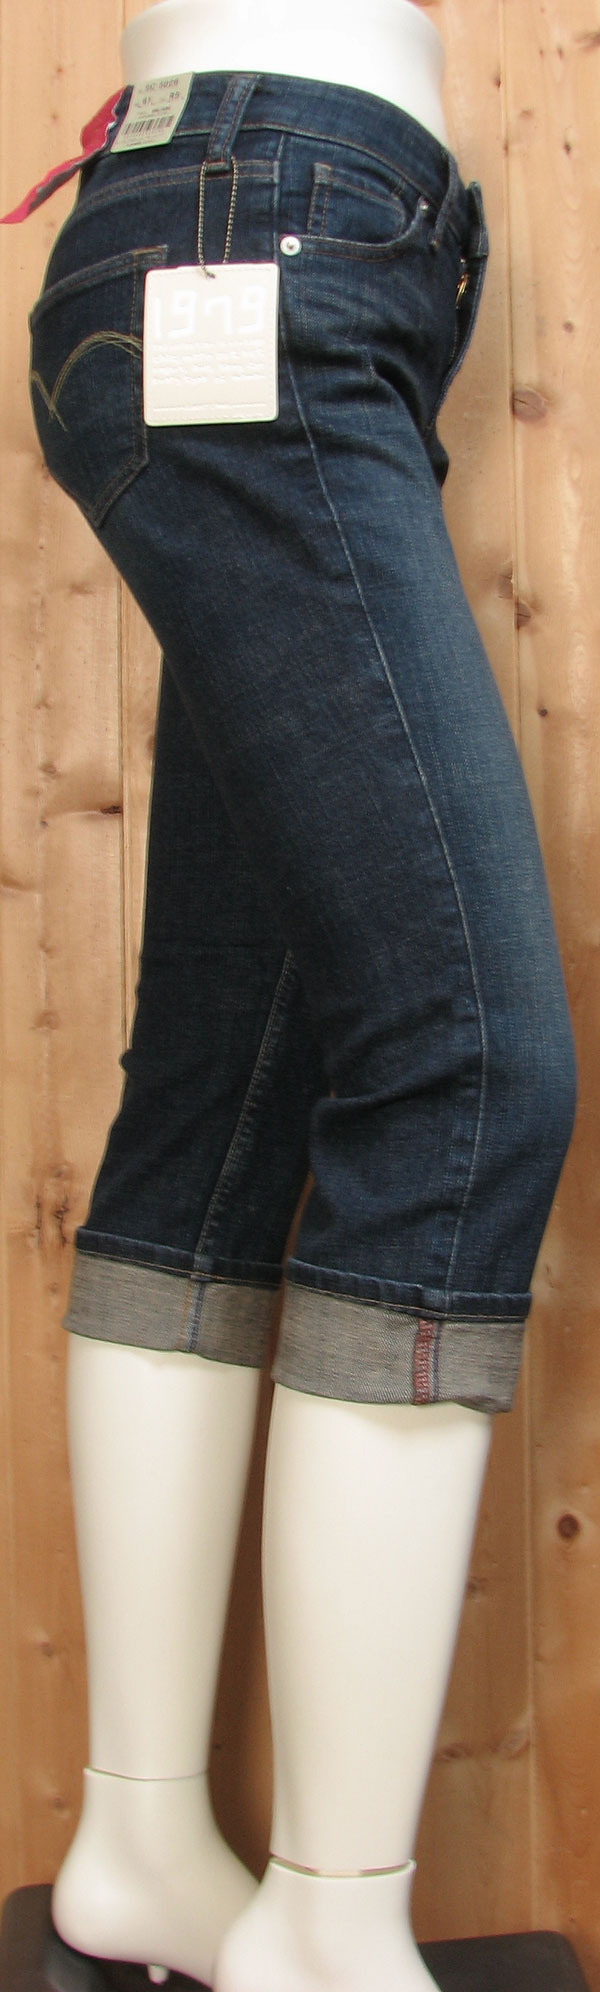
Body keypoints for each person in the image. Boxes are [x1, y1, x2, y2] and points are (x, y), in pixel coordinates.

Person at [20, 1, 577, 1986]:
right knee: (468, 1080)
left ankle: (142, 1845)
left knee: (221, 1098)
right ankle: (331, 1932)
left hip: (261, 239)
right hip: (273, 235)